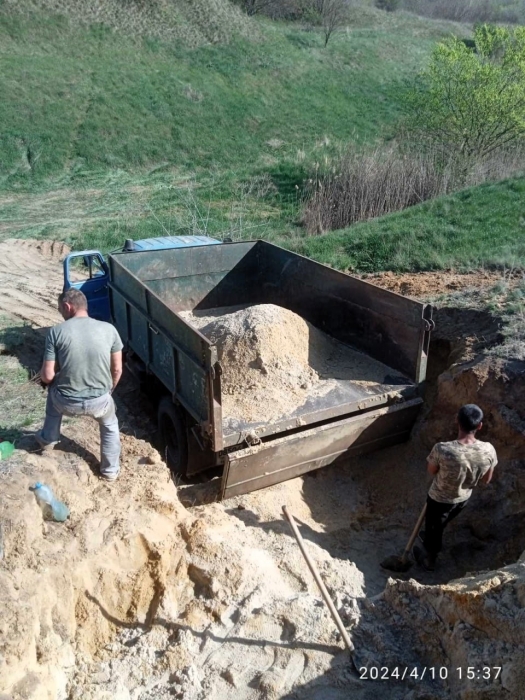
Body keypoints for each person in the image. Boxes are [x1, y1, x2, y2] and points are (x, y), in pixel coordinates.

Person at [35, 289, 123, 481]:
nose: (61, 313)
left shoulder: (56, 332)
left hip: (66, 402)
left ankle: (48, 440)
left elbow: (48, 375)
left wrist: (44, 378)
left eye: (60, 309)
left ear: (68, 306)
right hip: (100, 402)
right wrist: (108, 390)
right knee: (109, 426)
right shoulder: (110, 330)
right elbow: (117, 370)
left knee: (52, 392)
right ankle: (110, 471)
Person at [414, 404, 497, 571]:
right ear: (479, 425)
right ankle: (431, 537)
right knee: (440, 523)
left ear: (456, 421)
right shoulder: (488, 450)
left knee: (435, 528)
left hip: (438, 499)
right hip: (463, 499)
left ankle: (430, 559)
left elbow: (431, 470)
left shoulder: (442, 449)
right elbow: (486, 479)